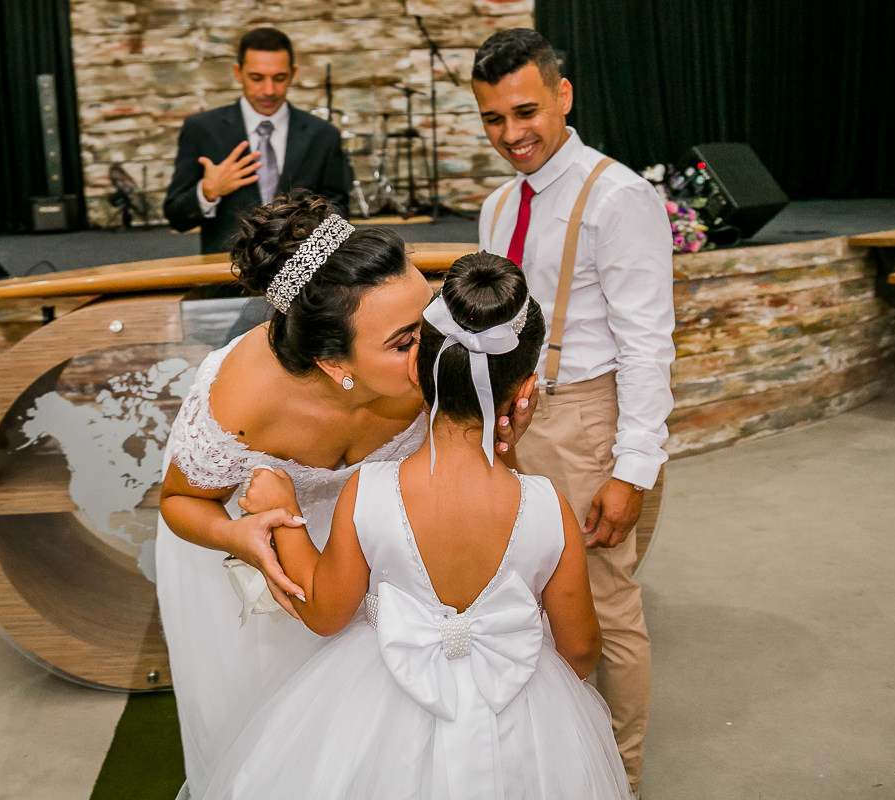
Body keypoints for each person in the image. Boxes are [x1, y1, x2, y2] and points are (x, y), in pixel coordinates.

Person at [196, 252, 632, 799]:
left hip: (378, 712)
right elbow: (582, 648)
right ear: (526, 391)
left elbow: (326, 613)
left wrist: (285, 517)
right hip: (520, 724)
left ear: (417, 369)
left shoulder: (369, 492)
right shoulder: (550, 509)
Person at [157, 194, 529, 797]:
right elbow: (179, 502)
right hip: (252, 558)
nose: (435, 346)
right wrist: (239, 533)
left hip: (366, 548)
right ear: (335, 364)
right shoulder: (241, 404)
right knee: (263, 733)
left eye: (429, 317)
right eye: (406, 340)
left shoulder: (432, 369)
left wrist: (503, 437)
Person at [471, 28, 676, 797]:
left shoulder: (617, 196)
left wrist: (632, 469)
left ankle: (619, 778)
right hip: (513, 422)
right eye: (494, 119)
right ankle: (553, 758)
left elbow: (648, 345)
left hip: (586, 421)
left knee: (607, 605)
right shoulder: (497, 207)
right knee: (523, 595)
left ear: (563, 96)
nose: (513, 134)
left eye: (526, 111)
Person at [162, 27, 350, 255]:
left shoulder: (323, 134)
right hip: (225, 277)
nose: (269, 90)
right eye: (256, 78)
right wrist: (207, 192)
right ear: (238, 72)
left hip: (303, 279)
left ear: (292, 73)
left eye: (279, 78)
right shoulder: (201, 130)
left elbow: (338, 214)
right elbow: (176, 218)